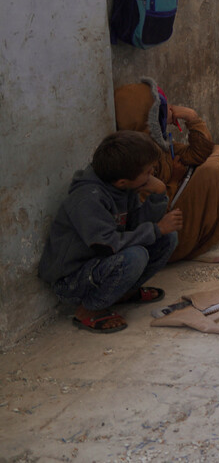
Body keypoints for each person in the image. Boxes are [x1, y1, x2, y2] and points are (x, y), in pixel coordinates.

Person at [37, 131, 182, 333]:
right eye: (148, 171)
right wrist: (156, 229)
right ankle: (89, 308)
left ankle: (123, 293)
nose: (152, 174)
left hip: (101, 265)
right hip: (73, 280)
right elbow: (107, 244)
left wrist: (158, 196)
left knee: (168, 238)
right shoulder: (88, 198)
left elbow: (135, 225)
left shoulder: (123, 187)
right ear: (122, 181)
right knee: (136, 255)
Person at [113, 78, 219, 263]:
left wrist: (192, 118)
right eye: (161, 109)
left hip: (177, 206)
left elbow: (198, 153)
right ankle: (200, 244)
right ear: (146, 117)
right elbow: (151, 213)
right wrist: (174, 181)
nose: (169, 110)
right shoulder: (135, 160)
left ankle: (217, 228)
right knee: (212, 171)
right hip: (168, 233)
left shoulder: (157, 144)